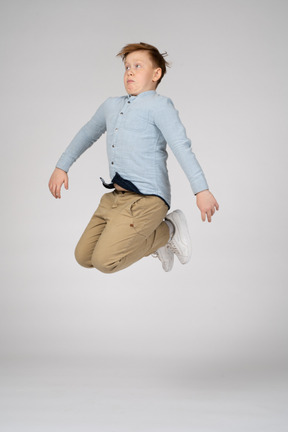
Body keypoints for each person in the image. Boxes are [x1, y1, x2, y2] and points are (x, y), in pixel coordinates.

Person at [48, 42, 219, 273]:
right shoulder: (111, 105)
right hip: (115, 198)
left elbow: (181, 147)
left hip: (148, 200)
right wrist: (62, 166)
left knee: (105, 262)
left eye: (138, 66)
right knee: (84, 257)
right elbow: (86, 134)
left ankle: (169, 230)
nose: (130, 71)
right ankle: (159, 238)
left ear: (156, 74)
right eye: (127, 66)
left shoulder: (160, 106)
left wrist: (201, 190)